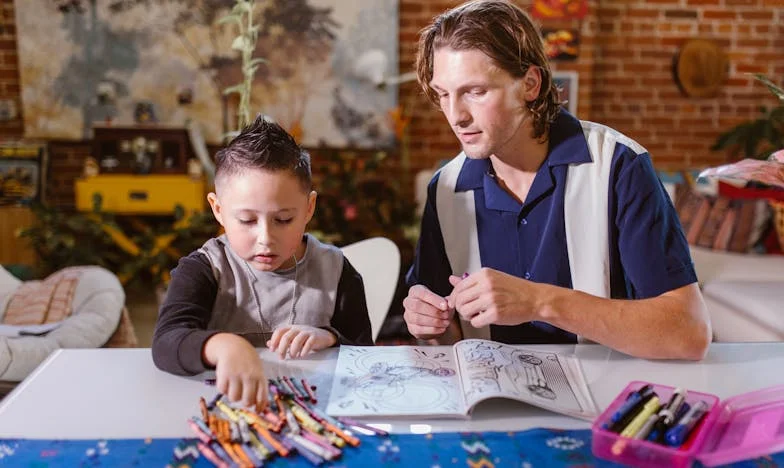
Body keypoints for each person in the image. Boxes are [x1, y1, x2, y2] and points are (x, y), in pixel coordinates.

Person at [403, 0, 711, 360]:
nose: (456, 116)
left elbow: (688, 333)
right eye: (443, 94)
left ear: (530, 84)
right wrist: (428, 325)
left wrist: (539, 301)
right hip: (490, 408)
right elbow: (446, 342)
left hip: (604, 403)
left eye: (476, 91)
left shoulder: (619, 167)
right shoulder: (445, 189)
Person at [152, 117, 372, 407]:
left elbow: (365, 353)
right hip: (227, 410)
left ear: (309, 208)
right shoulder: (206, 269)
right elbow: (166, 342)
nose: (265, 238)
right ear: (218, 210)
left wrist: (329, 337)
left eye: (283, 220)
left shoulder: (336, 270)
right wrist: (223, 346)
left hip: (313, 412)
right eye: (247, 220)